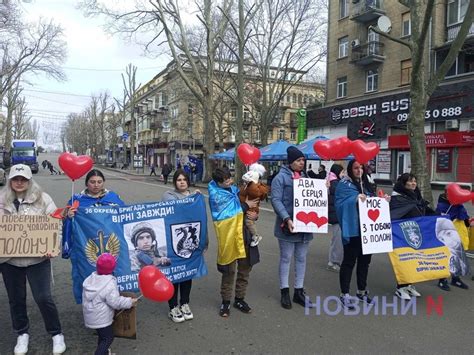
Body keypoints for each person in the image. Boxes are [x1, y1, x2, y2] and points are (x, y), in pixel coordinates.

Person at [0, 164, 66, 354]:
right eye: (15, 179)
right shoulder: (2, 200)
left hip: (38, 259)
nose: (19, 183)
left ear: (29, 181)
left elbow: (56, 225)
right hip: (9, 260)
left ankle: (56, 333)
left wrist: (53, 245)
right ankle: (22, 334)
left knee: (44, 298)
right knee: (16, 299)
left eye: (23, 179)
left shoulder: (44, 199)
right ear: (10, 180)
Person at [62, 169, 126, 304]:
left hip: (112, 242)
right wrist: (69, 217)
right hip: (87, 243)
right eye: (92, 182)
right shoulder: (77, 200)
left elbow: (126, 216)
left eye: (99, 182)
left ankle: (114, 302)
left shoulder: (113, 198)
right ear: (86, 183)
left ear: (103, 183)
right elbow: (66, 220)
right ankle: (93, 305)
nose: (96, 185)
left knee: (115, 273)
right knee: (89, 274)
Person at [208, 167, 260, 317]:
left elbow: (250, 205)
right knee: (229, 271)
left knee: (245, 268)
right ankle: (225, 302)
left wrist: (253, 215)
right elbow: (228, 213)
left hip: (244, 233)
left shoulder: (234, 190)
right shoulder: (215, 195)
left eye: (230, 178)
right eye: (226, 180)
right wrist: (245, 206)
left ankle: (239, 299)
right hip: (229, 236)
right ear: (219, 182)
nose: (230, 181)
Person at [271, 146, 313, 309]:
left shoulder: (306, 177)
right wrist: (286, 218)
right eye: (298, 160)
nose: (302, 163)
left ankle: (299, 291)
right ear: (291, 162)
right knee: (286, 258)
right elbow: (276, 200)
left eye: (303, 160)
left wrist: (325, 188)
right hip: (287, 226)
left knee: (302, 258)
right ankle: (284, 291)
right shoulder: (280, 178)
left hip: (304, 226)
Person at [335, 159, 377, 309]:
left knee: (365, 262)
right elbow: (339, 204)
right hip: (353, 229)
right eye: (355, 168)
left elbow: (373, 203)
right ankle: (344, 293)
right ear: (350, 170)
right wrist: (354, 199)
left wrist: (383, 201)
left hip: (368, 231)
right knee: (349, 261)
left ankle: (362, 291)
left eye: (361, 168)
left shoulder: (367, 184)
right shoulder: (344, 185)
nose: (359, 171)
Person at [162, 169, 203, 322]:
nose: (182, 182)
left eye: (184, 179)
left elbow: (201, 220)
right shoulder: (168, 195)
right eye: (179, 180)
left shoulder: (194, 197)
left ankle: (184, 303)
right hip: (172, 241)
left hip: (190, 242)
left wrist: (203, 242)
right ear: (175, 182)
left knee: (187, 274)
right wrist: (193, 197)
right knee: (174, 274)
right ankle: (173, 306)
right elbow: (177, 207)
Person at [389, 172, 437, 299]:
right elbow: (395, 215)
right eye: (410, 181)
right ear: (403, 184)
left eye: (414, 181)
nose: (413, 183)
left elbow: (422, 209)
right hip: (402, 235)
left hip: (415, 233)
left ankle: (409, 285)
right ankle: (400, 287)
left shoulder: (415, 195)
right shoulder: (397, 198)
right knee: (405, 260)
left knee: (414, 260)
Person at [82, 253, 137, 355]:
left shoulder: (90, 279)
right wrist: (129, 302)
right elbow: (115, 302)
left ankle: (105, 353)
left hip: (91, 316)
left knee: (102, 337)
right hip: (101, 318)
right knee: (108, 338)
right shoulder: (109, 283)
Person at [435, 191, 471, 290]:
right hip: (447, 235)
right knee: (446, 257)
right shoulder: (442, 206)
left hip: (458, 234)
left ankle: (455, 278)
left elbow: (464, 218)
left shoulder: (459, 206)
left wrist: (469, 223)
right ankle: (442, 280)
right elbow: (440, 220)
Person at [239, 170, 269, 247]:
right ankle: (255, 236)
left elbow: (255, 193)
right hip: (243, 215)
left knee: (248, 221)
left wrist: (251, 183)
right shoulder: (247, 187)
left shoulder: (253, 188)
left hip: (250, 211)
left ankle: (256, 236)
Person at [326, 164, 345, 272]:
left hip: (336, 214)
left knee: (337, 238)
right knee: (338, 239)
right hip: (337, 214)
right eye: (342, 172)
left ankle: (335, 260)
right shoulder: (335, 183)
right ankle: (334, 261)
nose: (343, 174)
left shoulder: (332, 181)